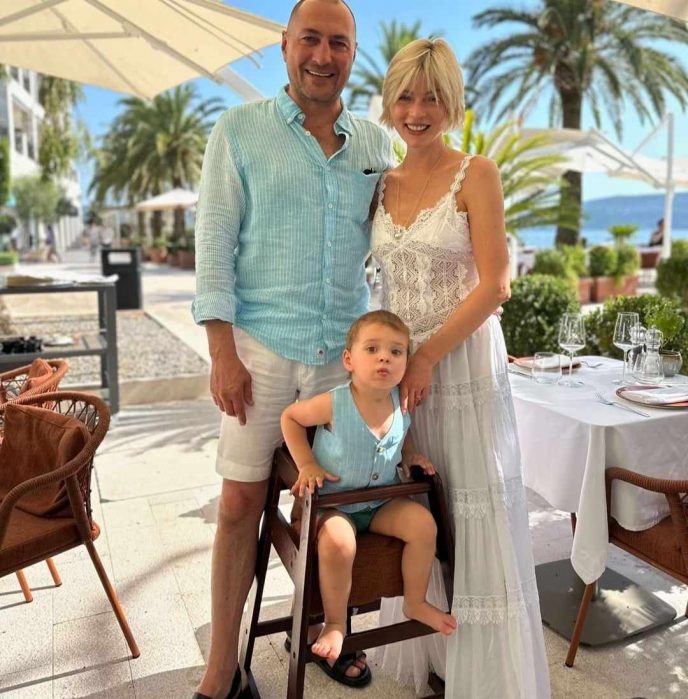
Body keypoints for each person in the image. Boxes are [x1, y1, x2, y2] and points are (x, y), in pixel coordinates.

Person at [190, 2, 392, 697]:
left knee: (338, 503)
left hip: (343, 358)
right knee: (240, 503)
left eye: (338, 43)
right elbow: (214, 239)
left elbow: (399, 238)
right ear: (285, 46)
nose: (323, 55)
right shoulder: (238, 131)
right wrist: (221, 349)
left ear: (353, 54)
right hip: (260, 351)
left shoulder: (375, 145)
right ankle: (223, 669)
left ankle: (326, 633)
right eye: (310, 39)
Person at [370, 39, 551, 698]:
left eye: (432, 98)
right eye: (405, 97)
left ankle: (489, 676)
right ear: (389, 103)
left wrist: (427, 354)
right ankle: (439, 655)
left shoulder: (477, 173)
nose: (417, 112)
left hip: (462, 366)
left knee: (475, 518)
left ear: (452, 104)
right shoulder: (380, 182)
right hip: (402, 376)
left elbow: (496, 284)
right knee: (425, 511)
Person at [281, 311, 457, 684]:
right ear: (349, 360)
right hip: (333, 506)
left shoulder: (401, 401)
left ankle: (414, 602)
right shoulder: (335, 402)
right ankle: (334, 623)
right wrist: (307, 463)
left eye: (396, 352)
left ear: (406, 362)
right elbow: (291, 419)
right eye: (372, 349)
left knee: (423, 525)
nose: (384, 359)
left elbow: (402, 436)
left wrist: (411, 455)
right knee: (339, 543)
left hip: (379, 504)